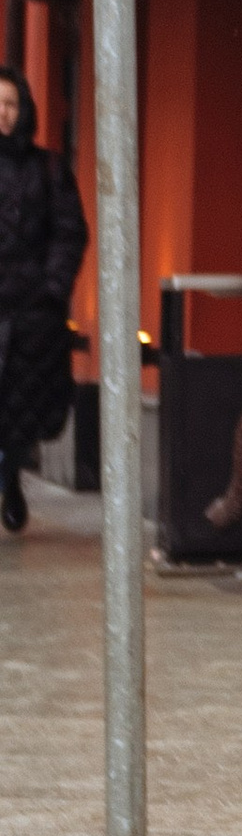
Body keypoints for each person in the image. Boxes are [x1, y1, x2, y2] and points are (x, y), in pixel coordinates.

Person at [0, 64, 88, 533]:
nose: (3, 113)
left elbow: (69, 232)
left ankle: (10, 477)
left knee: (19, 411)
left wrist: (52, 289)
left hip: (29, 312)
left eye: (11, 103)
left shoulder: (48, 168)